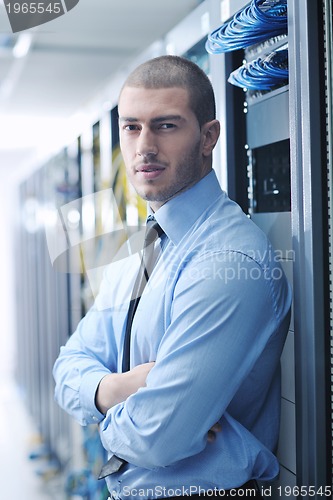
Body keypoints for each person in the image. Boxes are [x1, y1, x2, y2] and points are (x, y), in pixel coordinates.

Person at [53, 55, 292, 499]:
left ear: (209, 137)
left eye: (165, 125)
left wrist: (101, 409)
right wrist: (121, 388)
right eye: (131, 127)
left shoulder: (227, 261)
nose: (144, 146)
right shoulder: (140, 248)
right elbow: (67, 367)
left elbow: (154, 436)